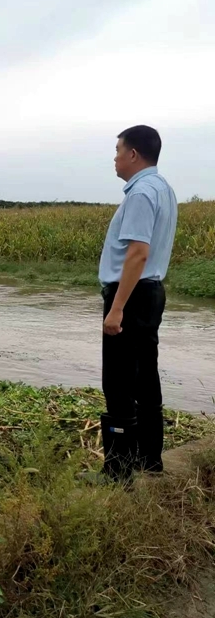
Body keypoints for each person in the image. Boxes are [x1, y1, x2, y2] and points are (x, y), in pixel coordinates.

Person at [98, 125, 177, 482]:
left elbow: (137, 254)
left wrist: (117, 309)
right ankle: (149, 460)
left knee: (118, 382)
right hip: (150, 293)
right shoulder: (163, 189)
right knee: (145, 377)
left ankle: (118, 472)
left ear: (133, 154)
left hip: (131, 294)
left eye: (118, 151)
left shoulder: (141, 193)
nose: (114, 158)